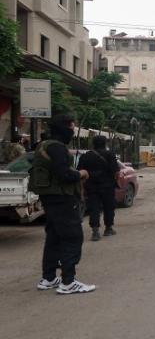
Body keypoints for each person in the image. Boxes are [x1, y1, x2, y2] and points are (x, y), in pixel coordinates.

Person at [30, 114, 96, 294]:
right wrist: (81, 173)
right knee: (72, 237)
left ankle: (49, 278)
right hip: (62, 198)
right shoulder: (57, 148)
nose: (72, 132)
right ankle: (68, 282)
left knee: (54, 237)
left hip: (50, 198)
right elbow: (64, 174)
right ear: (64, 128)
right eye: (71, 128)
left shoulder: (43, 145)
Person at [77, 135, 119, 241]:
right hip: (108, 186)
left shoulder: (86, 156)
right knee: (109, 207)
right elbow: (116, 171)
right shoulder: (110, 154)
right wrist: (116, 181)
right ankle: (108, 228)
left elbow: (80, 173)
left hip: (91, 187)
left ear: (93, 144)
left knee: (94, 208)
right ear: (105, 143)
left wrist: (82, 189)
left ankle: (95, 232)